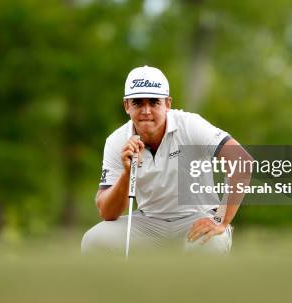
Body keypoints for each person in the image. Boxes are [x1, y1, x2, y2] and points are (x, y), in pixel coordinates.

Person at [81, 66, 251, 255]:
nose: (146, 111)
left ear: (167, 104)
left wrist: (221, 219)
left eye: (154, 102)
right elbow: (107, 212)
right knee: (94, 240)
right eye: (138, 103)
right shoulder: (116, 141)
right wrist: (127, 173)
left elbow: (242, 161)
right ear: (127, 106)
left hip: (197, 217)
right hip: (148, 222)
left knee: (209, 245)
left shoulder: (190, 125)